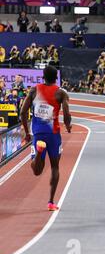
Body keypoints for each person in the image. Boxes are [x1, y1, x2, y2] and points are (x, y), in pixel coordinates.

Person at [20, 66, 72, 211]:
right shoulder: (61, 93)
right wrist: (68, 126)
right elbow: (67, 114)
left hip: (38, 133)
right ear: (56, 78)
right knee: (55, 166)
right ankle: (50, 202)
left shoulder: (34, 90)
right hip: (54, 135)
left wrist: (27, 132)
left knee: (36, 171)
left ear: (42, 76)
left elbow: (23, 112)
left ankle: (38, 153)